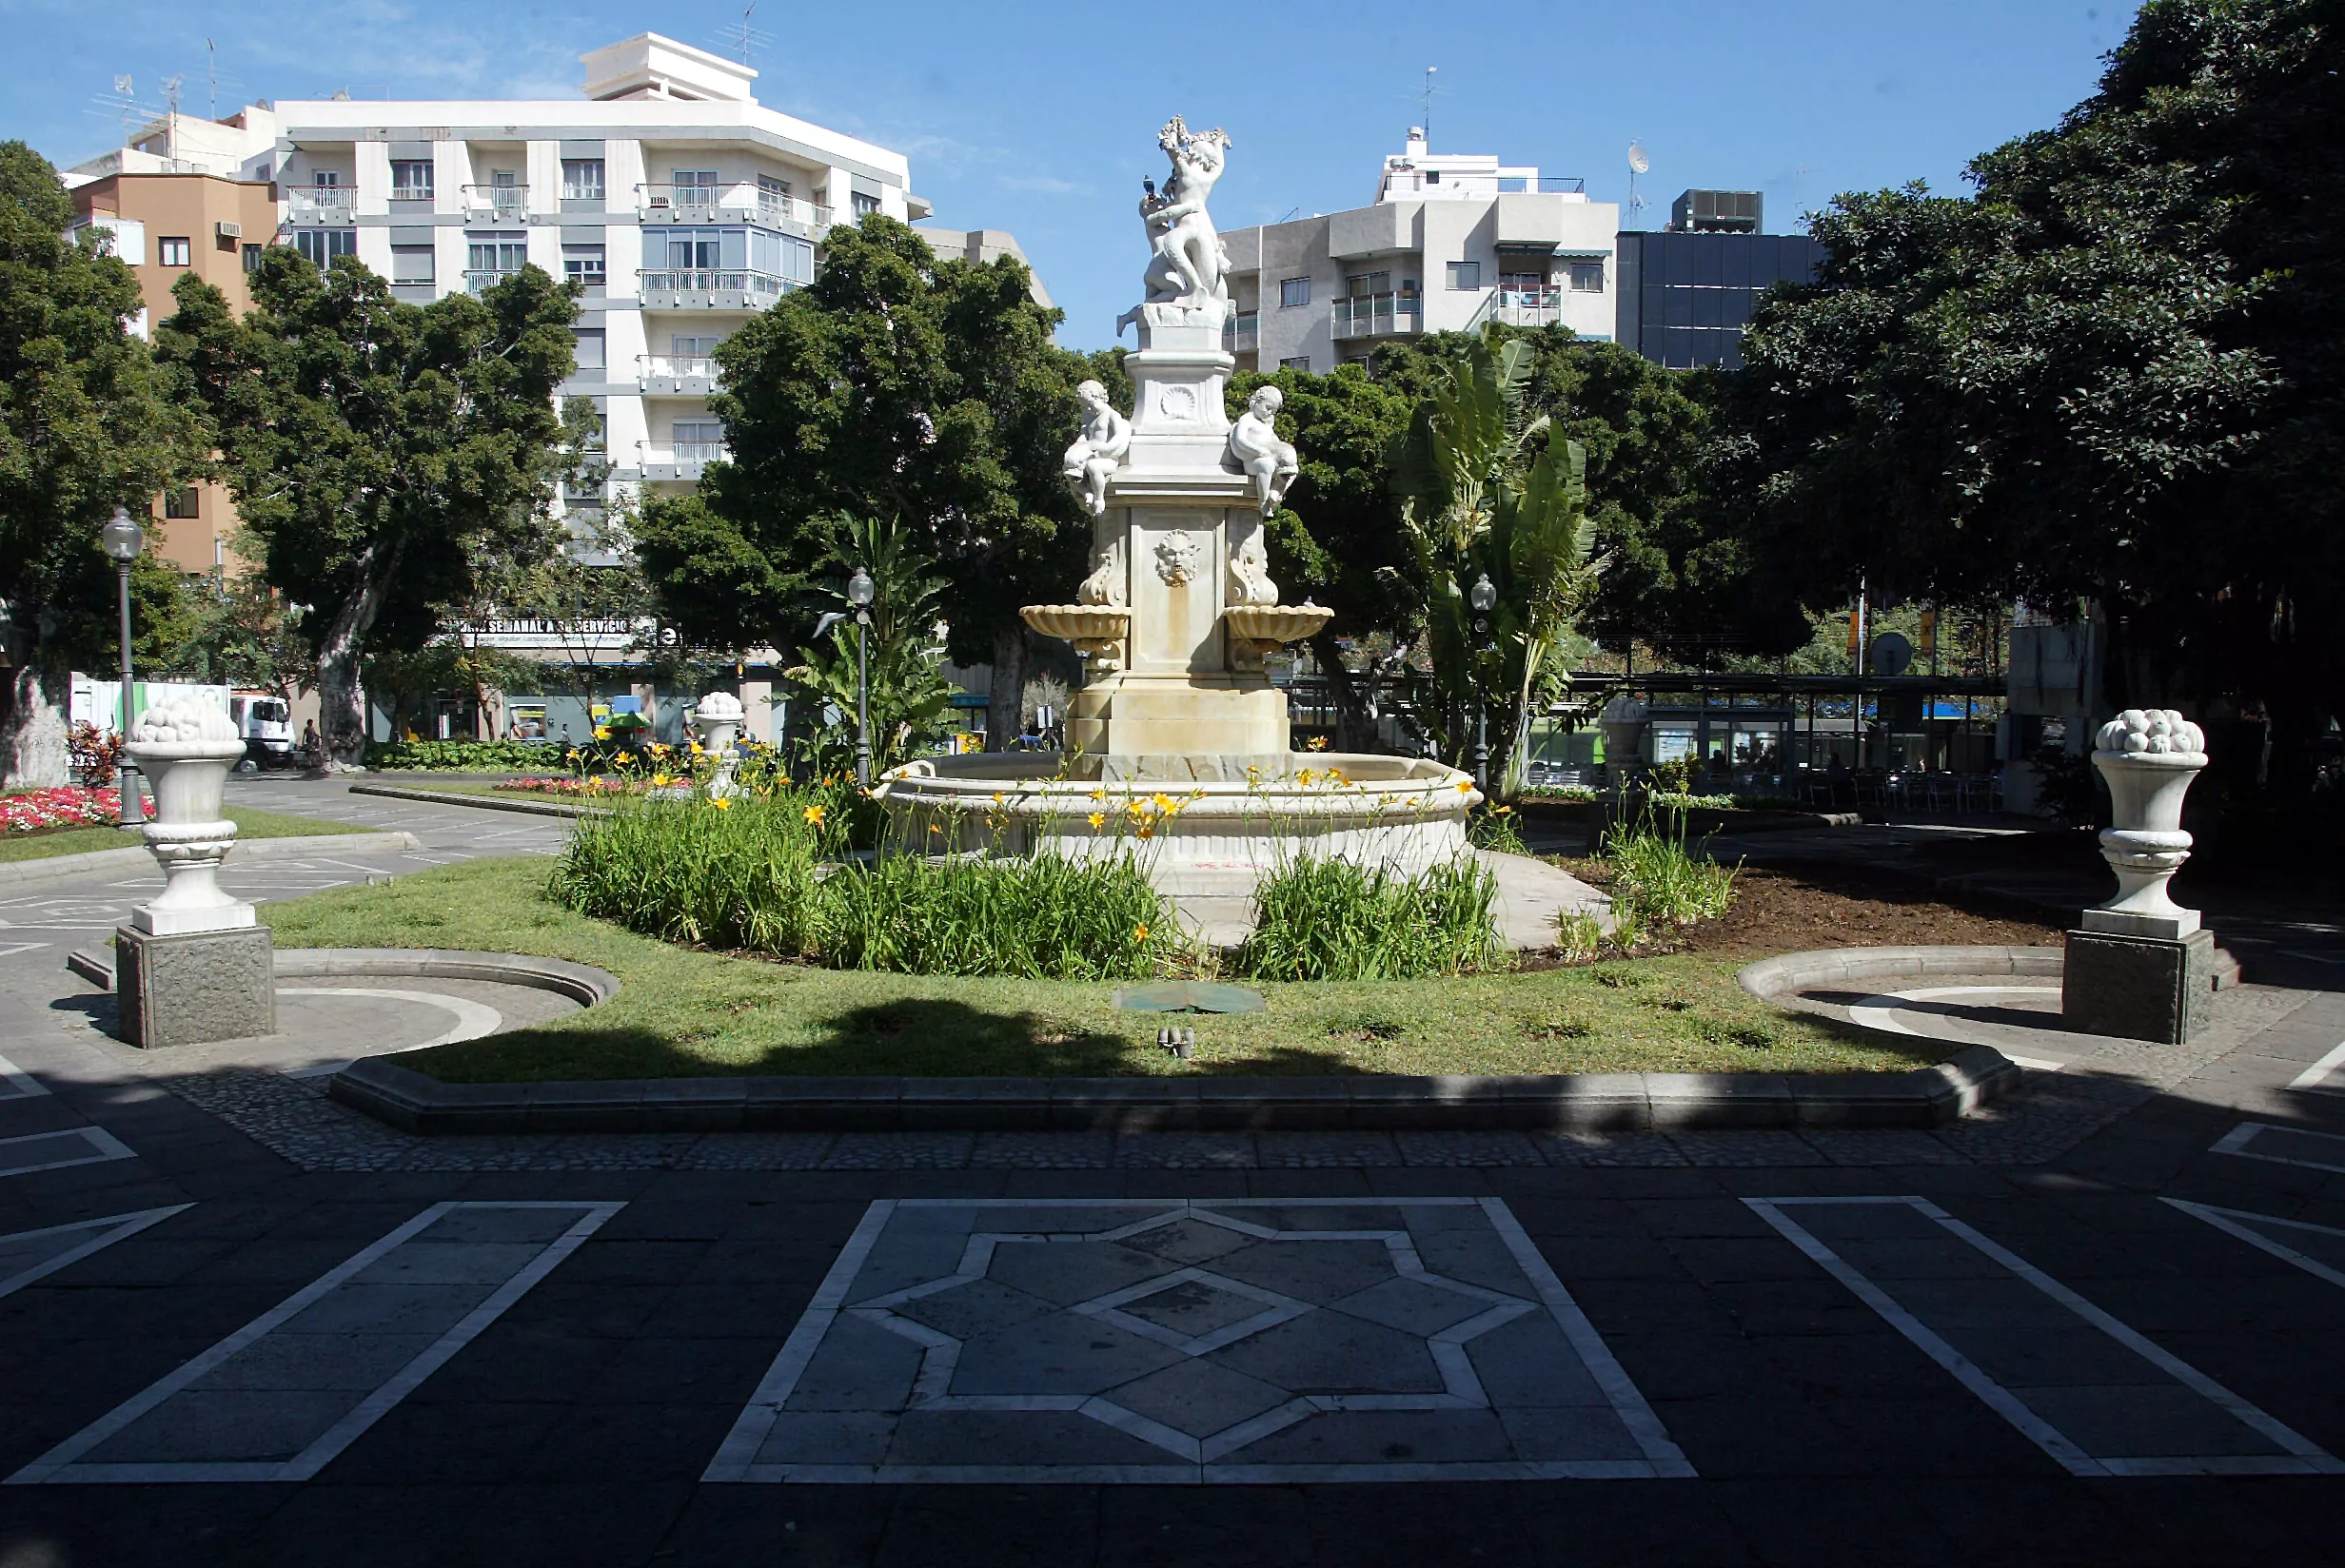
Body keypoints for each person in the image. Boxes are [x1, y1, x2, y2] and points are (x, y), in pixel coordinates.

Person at [1061, 380, 1132, 519]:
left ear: (1095, 396)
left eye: (1089, 405)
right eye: (1085, 406)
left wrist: (1104, 449)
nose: (1088, 409)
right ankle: (1087, 493)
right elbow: (1083, 436)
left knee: (1093, 467)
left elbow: (1119, 437)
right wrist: (1076, 448)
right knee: (1069, 469)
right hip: (1090, 453)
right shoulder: (1088, 416)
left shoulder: (1111, 415)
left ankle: (1099, 499)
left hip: (1107, 458)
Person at [1228, 384, 1299, 516]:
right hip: (1253, 461)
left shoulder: (1266, 424)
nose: (1269, 413)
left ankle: (1276, 492)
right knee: (1266, 465)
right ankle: (1263, 502)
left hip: (1271, 457)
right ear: (1257, 401)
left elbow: (1274, 441)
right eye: (1268, 407)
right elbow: (1240, 440)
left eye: (1273, 411)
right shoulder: (1247, 419)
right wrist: (1258, 451)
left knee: (1293, 470)